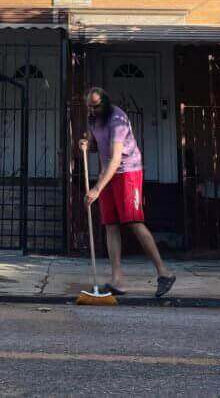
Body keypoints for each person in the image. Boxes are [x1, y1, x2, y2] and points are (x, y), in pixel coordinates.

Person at [79, 85, 175, 298]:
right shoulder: (93, 118)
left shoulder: (117, 119)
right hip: (108, 175)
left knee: (133, 222)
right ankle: (117, 280)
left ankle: (164, 273)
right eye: (89, 107)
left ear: (104, 102)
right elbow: (95, 144)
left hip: (127, 172)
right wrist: (86, 143)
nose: (92, 110)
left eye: (95, 106)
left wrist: (96, 189)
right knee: (110, 225)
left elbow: (115, 160)